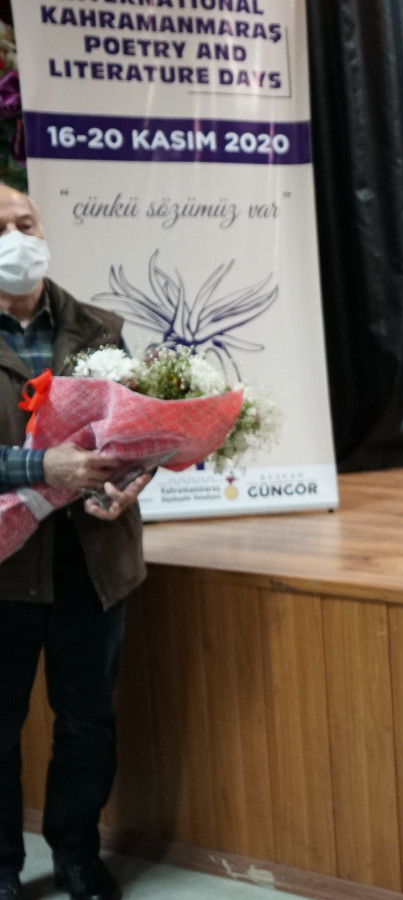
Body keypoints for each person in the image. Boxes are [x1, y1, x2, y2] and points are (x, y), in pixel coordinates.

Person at [0, 187, 150, 900]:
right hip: (5, 566)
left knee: (88, 721)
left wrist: (132, 481)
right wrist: (39, 467)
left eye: (24, 224)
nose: (16, 239)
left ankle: (77, 856)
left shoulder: (97, 328)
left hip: (91, 558)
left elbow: (139, 429)